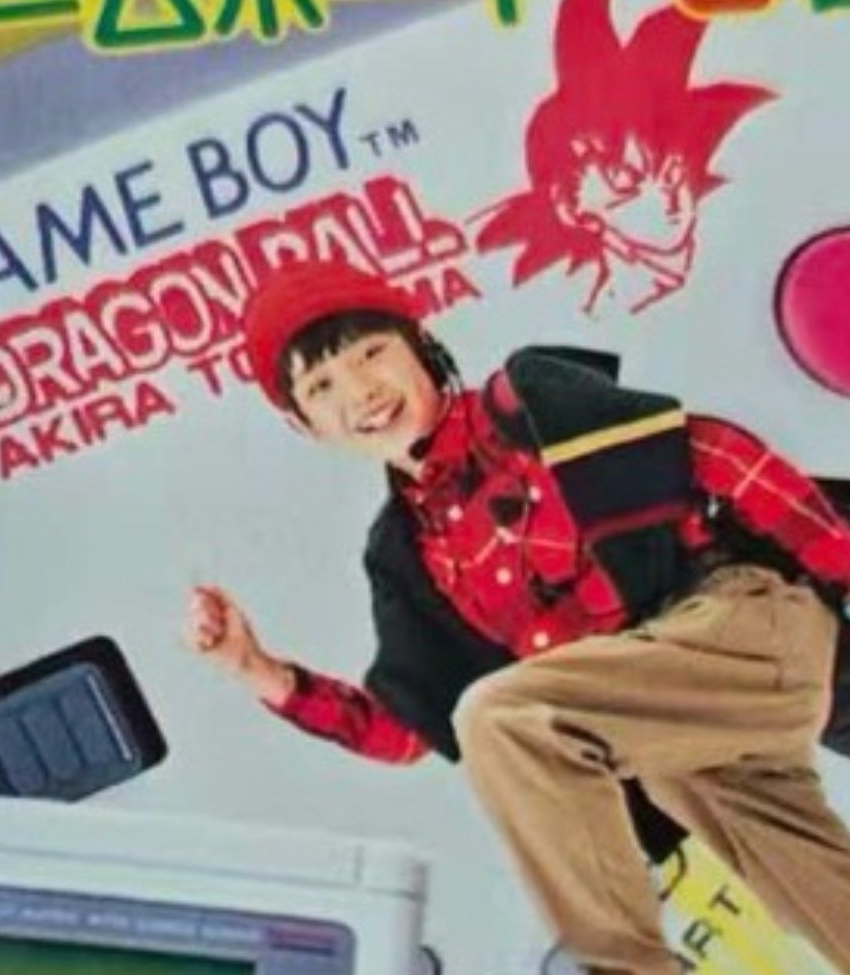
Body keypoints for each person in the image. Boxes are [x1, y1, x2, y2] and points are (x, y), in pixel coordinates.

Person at [184, 257, 850, 975]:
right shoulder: (404, 555)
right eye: (322, 385)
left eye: (371, 352)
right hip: (679, 731)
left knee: (505, 716)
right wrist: (258, 670)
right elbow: (410, 728)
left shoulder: (527, 405)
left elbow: (715, 455)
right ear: (303, 423)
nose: (360, 390)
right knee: (785, 869)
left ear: (420, 345)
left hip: (746, 623)